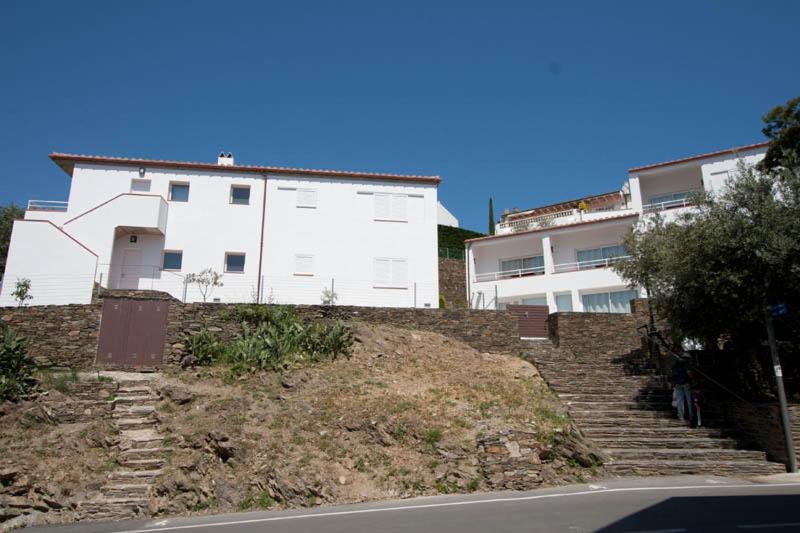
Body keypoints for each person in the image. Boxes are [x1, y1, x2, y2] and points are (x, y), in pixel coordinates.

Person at [671, 359, 694, 424]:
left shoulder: (675, 365)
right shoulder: (686, 365)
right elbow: (689, 373)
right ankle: (691, 416)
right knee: (689, 400)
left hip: (677, 384)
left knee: (679, 401)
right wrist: (694, 380)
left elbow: (672, 375)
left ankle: (681, 416)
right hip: (686, 384)